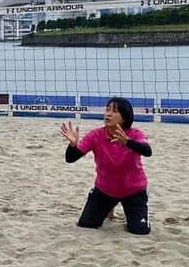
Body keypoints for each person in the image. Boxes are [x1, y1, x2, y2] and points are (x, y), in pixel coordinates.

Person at [61, 97, 152, 235]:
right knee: (86, 225)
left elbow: (147, 151)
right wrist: (72, 146)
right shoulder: (96, 135)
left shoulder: (134, 134)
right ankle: (109, 206)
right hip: (105, 190)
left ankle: (117, 207)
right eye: (107, 110)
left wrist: (127, 142)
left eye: (114, 111)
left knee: (140, 231)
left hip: (134, 190)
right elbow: (70, 158)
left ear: (125, 116)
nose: (108, 114)